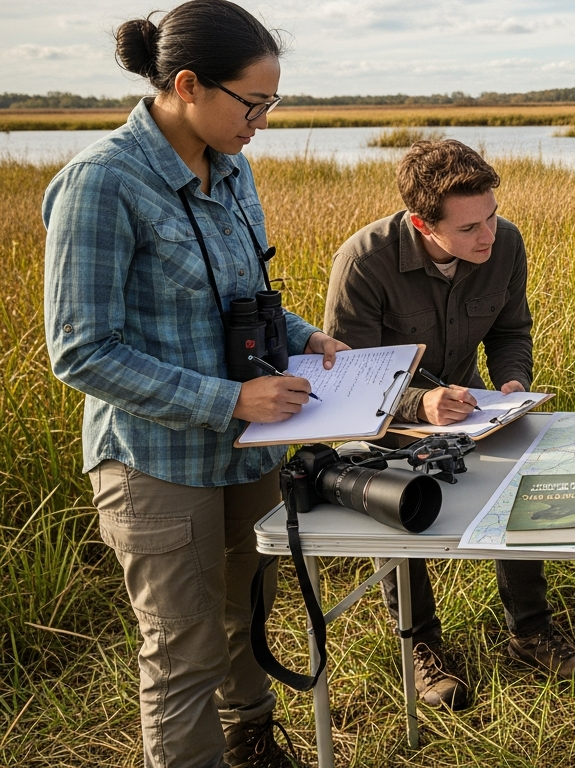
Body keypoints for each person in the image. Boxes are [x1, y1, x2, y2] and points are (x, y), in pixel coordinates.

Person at [42, 2, 350, 765]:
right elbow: (81, 350)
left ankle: (252, 739)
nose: (265, 121)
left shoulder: (233, 165)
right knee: (180, 650)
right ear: (187, 84)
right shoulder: (102, 183)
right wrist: (228, 399)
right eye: (255, 103)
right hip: (155, 460)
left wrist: (305, 337)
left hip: (247, 450)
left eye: (272, 103)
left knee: (247, 611)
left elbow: (240, 293)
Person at [323, 139, 575, 704]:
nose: (489, 235)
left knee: (523, 482)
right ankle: (422, 647)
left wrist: (513, 385)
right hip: (385, 425)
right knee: (397, 510)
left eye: (492, 215)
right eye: (472, 227)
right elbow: (353, 375)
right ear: (423, 224)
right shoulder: (363, 260)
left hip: (475, 407)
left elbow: (510, 330)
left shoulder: (507, 243)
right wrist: (417, 404)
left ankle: (531, 631)